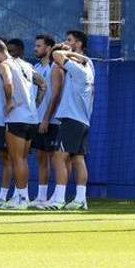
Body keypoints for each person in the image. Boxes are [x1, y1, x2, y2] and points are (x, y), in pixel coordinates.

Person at [0, 39, 47, 210]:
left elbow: (8, 82)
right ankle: (23, 196)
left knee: (17, 159)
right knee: (23, 160)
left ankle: (21, 199)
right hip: (31, 119)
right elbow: (43, 84)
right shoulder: (25, 65)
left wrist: (9, 101)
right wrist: (34, 105)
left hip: (16, 118)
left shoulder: (4, 64)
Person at [47, 47, 95, 210]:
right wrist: (81, 57)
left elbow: (56, 55)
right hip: (83, 122)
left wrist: (72, 54)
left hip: (72, 120)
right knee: (78, 159)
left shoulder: (79, 71)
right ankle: (81, 199)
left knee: (59, 157)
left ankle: (59, 199)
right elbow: (85, 61)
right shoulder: (90, 69)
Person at [31, 34, 60, 208]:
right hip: (37, 120)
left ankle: (57, 196)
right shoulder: (35, 68)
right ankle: (41, 196)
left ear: (48, 48)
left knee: (56, 159)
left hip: (53, 121)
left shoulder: (56, 68)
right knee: (41, 157)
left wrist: (47, 119)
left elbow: (56, 96)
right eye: (35, 45)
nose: (35, 48)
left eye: (39, 46)